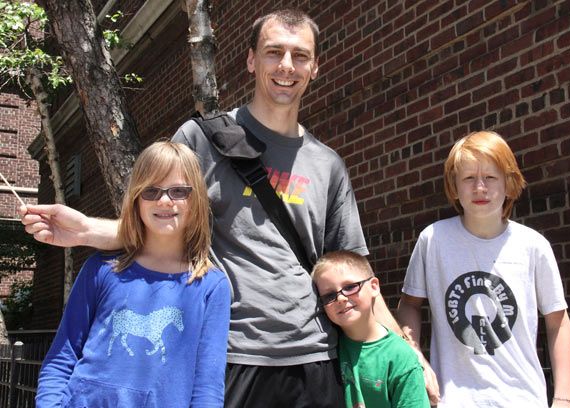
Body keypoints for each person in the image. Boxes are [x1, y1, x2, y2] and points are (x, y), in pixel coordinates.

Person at [21, 9, 438, 407]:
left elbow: (357, 273)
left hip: (315, 355)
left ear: (315, 68)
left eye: (300, 56)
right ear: (252, 60)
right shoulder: (203, 139)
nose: (286, 66)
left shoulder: (327, 164)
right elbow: (159, 220)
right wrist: (87, 231)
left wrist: (408, 351)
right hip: (234, 355)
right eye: (274, 52)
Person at [35, 141, 231, 407]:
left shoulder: (212, 286)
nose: (164, 200)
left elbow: (208, 387)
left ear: (195, 200)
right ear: (136, 199)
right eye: (151, 191)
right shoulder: (101, 269)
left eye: (178, 191)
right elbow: (61, 358)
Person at [396, 130, 570, 407]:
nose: (480, 188)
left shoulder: (533, 246)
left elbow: (558, 321)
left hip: (523, 398)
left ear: (509, 182)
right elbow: (409, 304)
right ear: (454, 186)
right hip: (452, 399)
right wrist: (415, 357)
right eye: (468, 178)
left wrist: (564, 397)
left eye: (490, 177)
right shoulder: (433, 240)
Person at [312, 250, 429, 408]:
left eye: (350, 287)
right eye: (329, 296)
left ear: (374, 286)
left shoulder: (401, 356)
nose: (340, 298)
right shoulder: (326, 347)